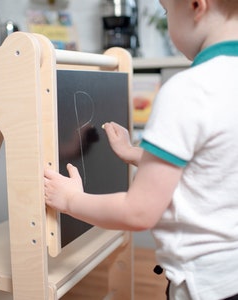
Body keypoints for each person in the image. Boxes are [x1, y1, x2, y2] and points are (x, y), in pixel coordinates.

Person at [44, 0, 238, 299]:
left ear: (196, 6)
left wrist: (71, 200)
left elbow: (139, 212)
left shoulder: (189, 90)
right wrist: (135, 152)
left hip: (203, 285)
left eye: (166, 11)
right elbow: (215, 161)